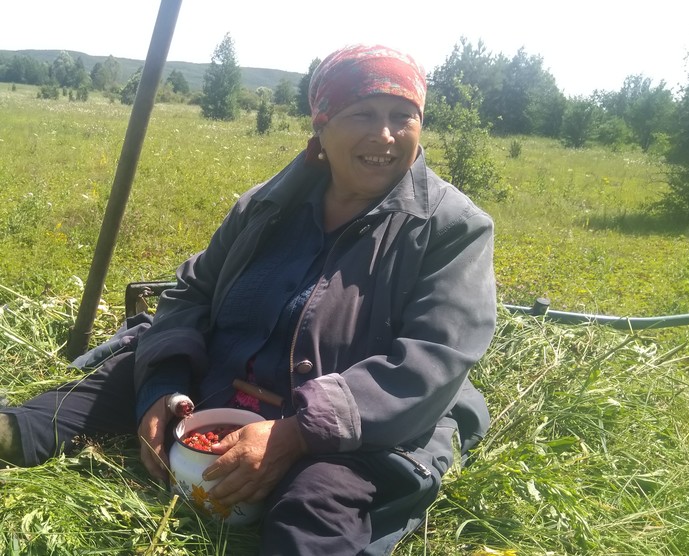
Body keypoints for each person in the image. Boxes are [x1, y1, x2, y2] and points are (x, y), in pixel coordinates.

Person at [0, 44, 497, 555]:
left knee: (317, 500)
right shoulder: (266, 205)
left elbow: (434, 358)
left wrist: (295, 435)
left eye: (403, 116)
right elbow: (193, 291)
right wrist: (163, 388)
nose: (385, 134)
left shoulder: (451, 229)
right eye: (362, 114)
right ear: (322, 125)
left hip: (353, 430)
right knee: (118, 378)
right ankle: (14, 433)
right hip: (221, 387)